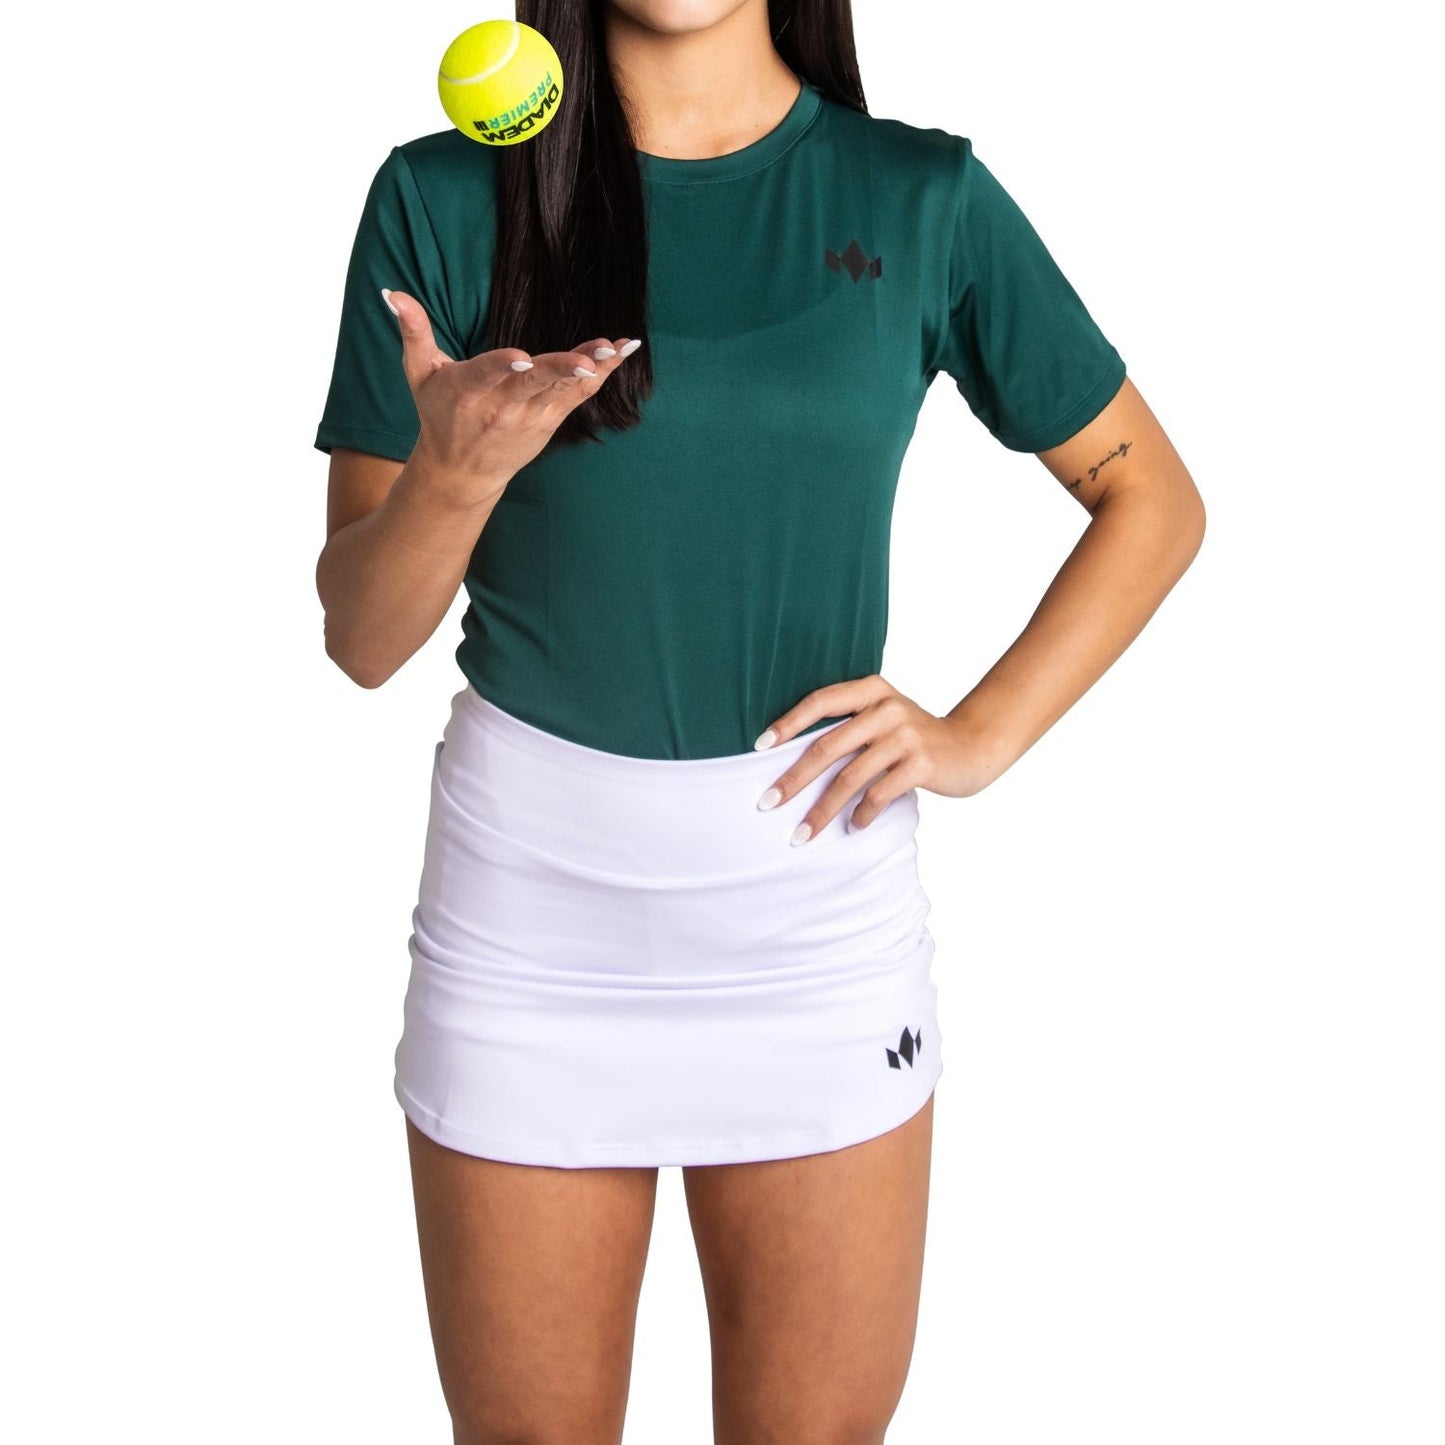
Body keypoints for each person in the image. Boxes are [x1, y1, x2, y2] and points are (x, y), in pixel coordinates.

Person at [312, 1, 1205, 1440]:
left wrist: (973, 736)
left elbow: (1150, 499)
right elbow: (361, 637)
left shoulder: (921, 197)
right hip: (529, 922)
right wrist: (456, 476)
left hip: (812, 920)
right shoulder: (438, 197)